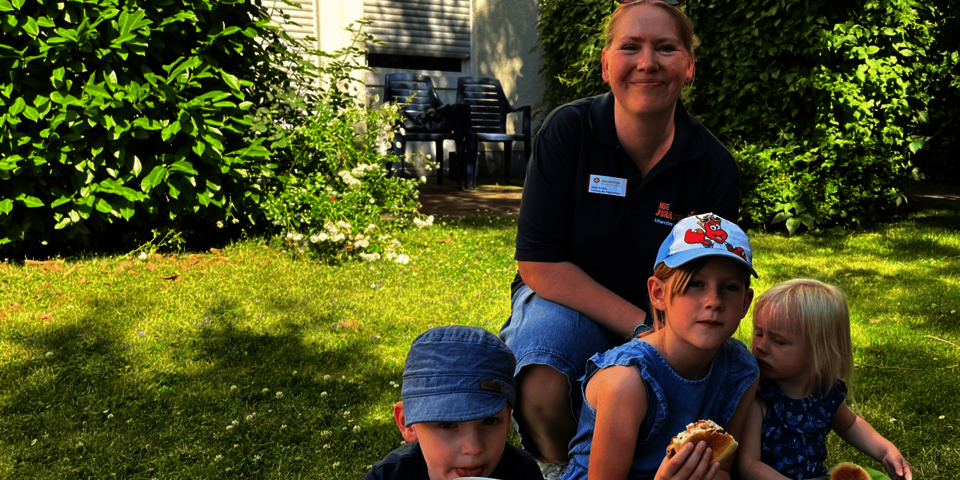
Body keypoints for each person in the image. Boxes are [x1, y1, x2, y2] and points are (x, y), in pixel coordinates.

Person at [501, 0, 742, 475]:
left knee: (727, 375)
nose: (647, 62)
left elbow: (715, 273)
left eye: (666, 48)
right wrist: (639, 325)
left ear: (689, 67)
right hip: (565, 298)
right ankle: (557, 465)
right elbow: (539, 263)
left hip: (669, 309)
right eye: (630, 46)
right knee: (544, 380)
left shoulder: (713, 165)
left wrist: (669, 329)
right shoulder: (570, 131)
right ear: (607, 64)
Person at [561, 213, 759, 480]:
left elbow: (722, 470)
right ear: (658, 294)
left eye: (730, 287)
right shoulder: (627, 380)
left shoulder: (742, 370)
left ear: (745, 303)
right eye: (696, 284)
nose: (714, 301)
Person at [736, 279, 913, 480]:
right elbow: (748, 465)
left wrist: (885, 450)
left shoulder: (824, 391)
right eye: (759, 333)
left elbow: (850, 424)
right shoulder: (758, 396)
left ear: (820, 351)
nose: (761, 346)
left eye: (779, 341)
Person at [363, 325, 544, 480]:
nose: (473, 448)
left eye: (490, 421)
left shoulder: (522, 472)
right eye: (448, 424)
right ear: (407, 423)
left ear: (507, 420)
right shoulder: (387, 476)